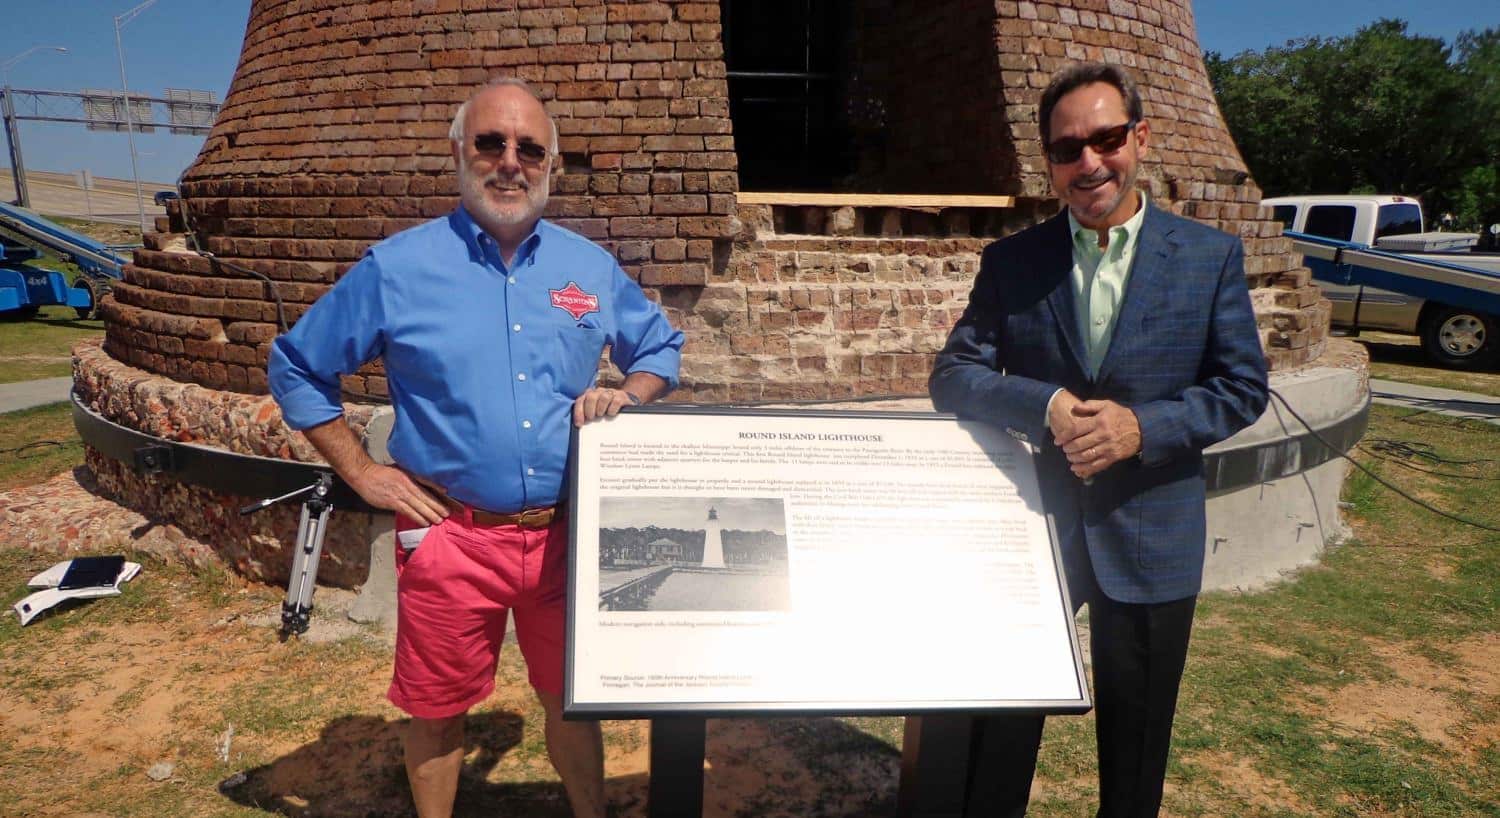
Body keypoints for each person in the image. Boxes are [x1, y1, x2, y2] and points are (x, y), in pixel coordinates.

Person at [268, 78, 684, 818]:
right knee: (436, 708)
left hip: (566, 536)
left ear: (552, 164)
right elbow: (298, 365)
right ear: (459, 152)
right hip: (452, 536)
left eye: (530, 149)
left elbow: (659, 348)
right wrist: (362, 472)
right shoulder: (397, 269)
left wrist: (629, 395)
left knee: (571, 700)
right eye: (491, 143)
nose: (510, 163)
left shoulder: (588, 269)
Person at [928, 62, 1269, 817]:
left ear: (1139, 139)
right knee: (998, 722)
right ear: (1047, 163)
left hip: (1153, 527)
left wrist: (1143, 426)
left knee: (1138, 743)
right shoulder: (1012, 263)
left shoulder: (1208, 260)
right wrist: (1043, 402)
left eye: (1106, 139)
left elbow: (1243, 387)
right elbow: (953, 375)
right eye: (1066, 149)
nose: (1089, 164)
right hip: (1035, 531)